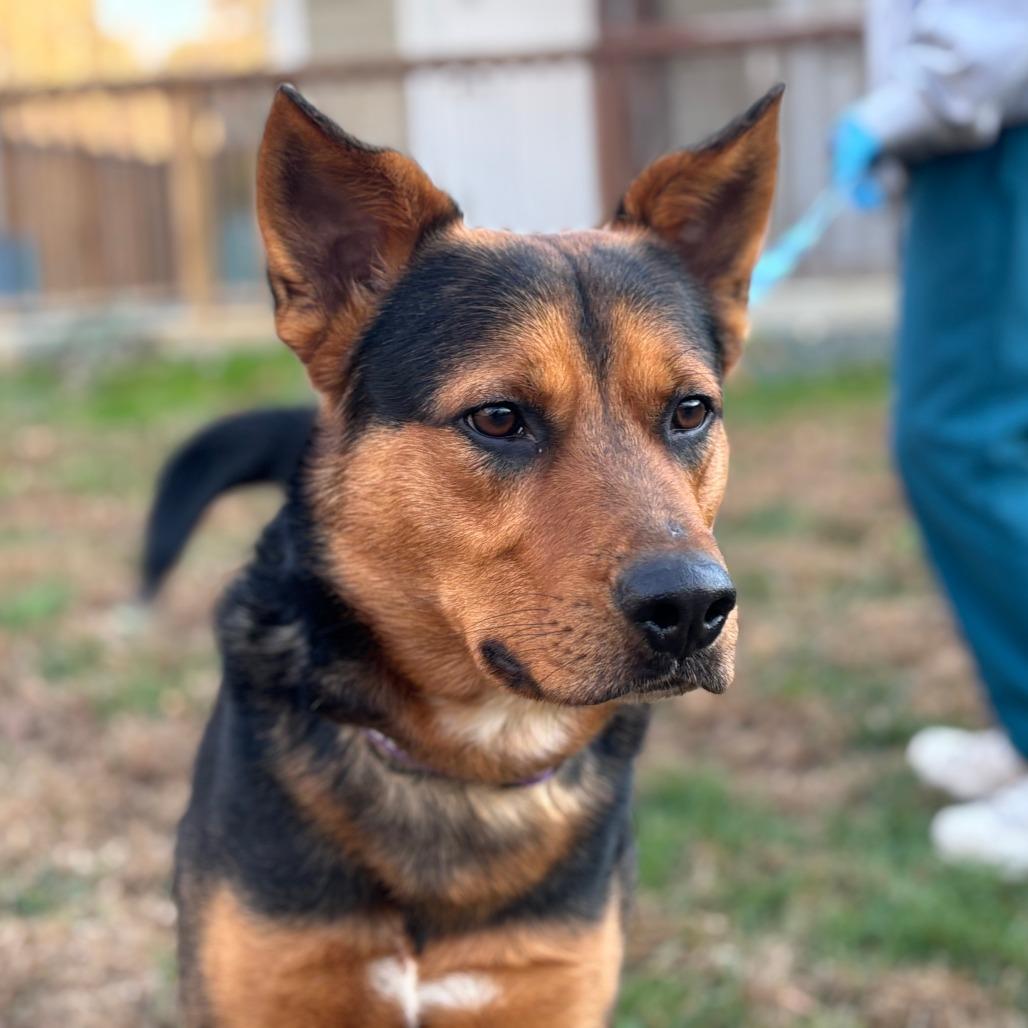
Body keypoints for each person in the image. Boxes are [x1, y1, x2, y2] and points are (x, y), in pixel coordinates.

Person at [831, 0, 1028, 876]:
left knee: (957, 440)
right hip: (977, 129)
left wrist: (900, 106)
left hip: (994, 135)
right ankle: (1017, 724)